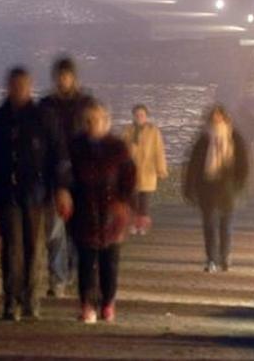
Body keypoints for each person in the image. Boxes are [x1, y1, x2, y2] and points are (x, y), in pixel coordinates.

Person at [0, 66, 73, 321]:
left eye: (23, 86)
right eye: (15, 86)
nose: (19, 90)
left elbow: (58, 154)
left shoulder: (43, 118)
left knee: (33, 246)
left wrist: (61, 187)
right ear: (9, 87)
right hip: (5, 192)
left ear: (29, 87)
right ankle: (11, 300)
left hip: (35, 193)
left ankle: (30, 298)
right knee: (12, 246)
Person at [68, 100, 136, 323]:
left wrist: (123, 200)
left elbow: (129, 176)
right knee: (86, 262)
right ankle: (87, 305)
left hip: (112, 214)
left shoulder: (118, 147)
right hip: (84, 212)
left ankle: (108, 302)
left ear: (106, 122)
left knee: (110, 262)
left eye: (97, 120)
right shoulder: (76, 146)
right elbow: (67, 175)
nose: (93, 124)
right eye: (89, 120)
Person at [39, 56, 94, 297]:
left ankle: (70, 271)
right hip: (52, 176)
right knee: (54, 230)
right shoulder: (46, 106)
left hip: (81, 177)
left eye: (66, 75)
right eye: (60, 76)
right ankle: (58, 278)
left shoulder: (86, 104)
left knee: (76, 229)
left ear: (73, 77)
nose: (63, 80)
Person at [183, 104, 252, 273]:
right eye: (213, 116)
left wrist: (240, 184)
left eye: (219, 115)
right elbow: (194, 164)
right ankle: (211, 259)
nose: (216, 119)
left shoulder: (234, 137)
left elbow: (243, 163)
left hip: (227, 187)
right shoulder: (204, 139)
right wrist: (189, 186)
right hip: (207, 187)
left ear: (224, 117)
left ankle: (225, 256)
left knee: (226, 225)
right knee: (209, 225)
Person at [123, 104, 168, 235]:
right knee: (132, 200)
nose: (139, 117)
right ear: (133, 116)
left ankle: (142, 225)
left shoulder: (153, 131)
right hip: (131, 170)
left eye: (142, 115)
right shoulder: (128, 130)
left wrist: (161, 169)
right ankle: (133, 223)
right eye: (137, 115)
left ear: (146, 116)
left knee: (144, 202)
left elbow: (159, 151)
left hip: (148, 171)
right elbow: (122, 150)